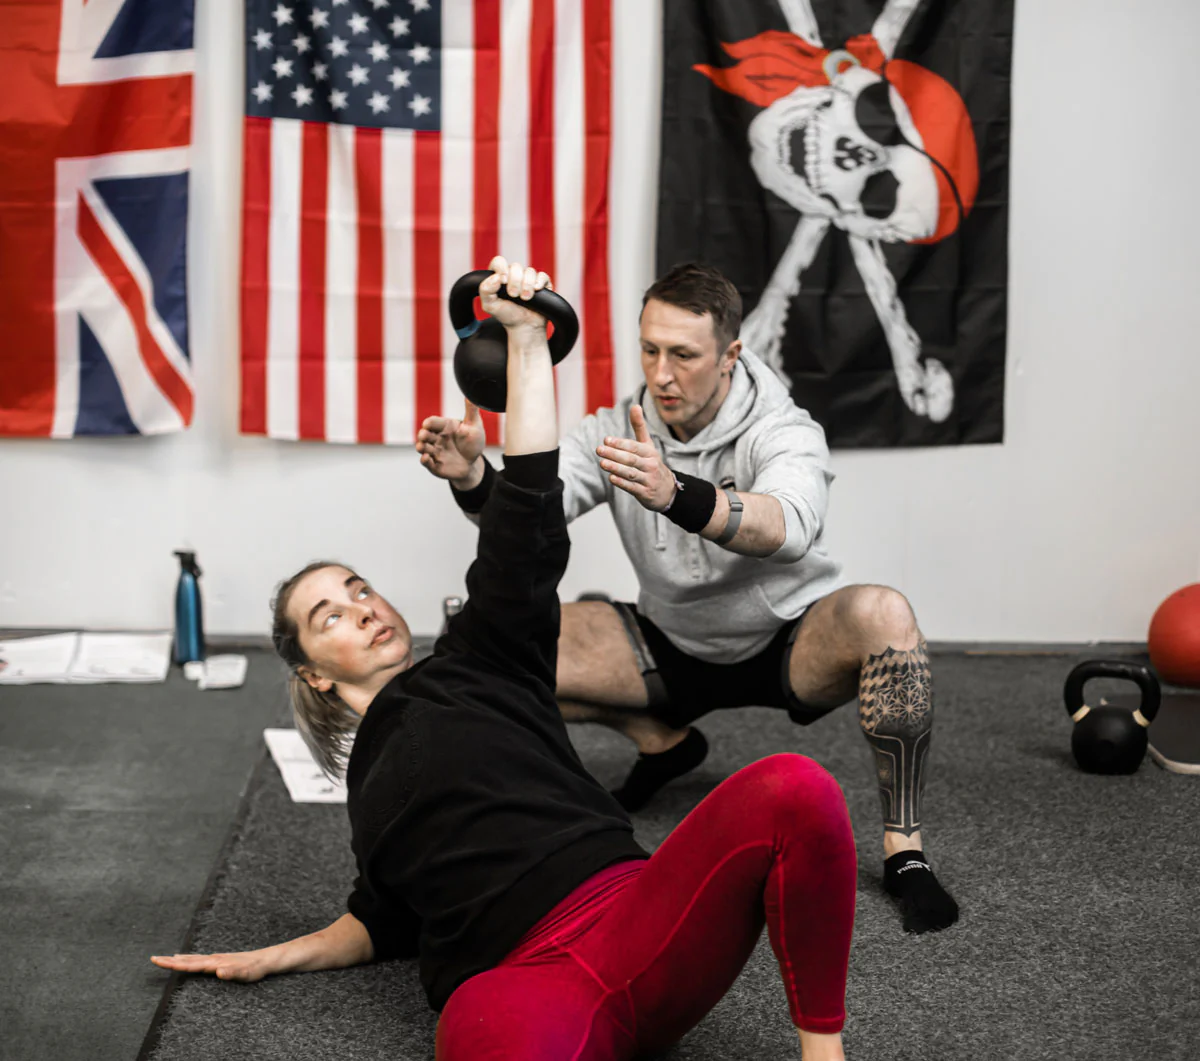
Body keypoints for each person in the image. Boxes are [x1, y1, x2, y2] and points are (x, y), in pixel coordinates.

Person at [150, 259, 858, 1061]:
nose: (362, 608)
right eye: (330, 615)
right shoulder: (367, 793)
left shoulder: (482, 654)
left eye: (359, 588)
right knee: (478, 1026)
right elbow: (381, 919)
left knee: (797, 787)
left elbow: (527, 504)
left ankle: (822, 1055)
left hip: (637, 921)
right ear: (314, 669)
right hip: (522, 983)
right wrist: (273, 955)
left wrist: (526, 342)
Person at [416, 262, 957, 935]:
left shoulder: (782, 427)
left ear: (730, 353)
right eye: (649, 349)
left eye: (683, 354)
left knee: (886, 614)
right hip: (667, 642)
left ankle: (904, 849)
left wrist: (676, 492)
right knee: (498, 639)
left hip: (788, 641)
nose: (662, 373)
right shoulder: (617, 426)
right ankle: (662, 740)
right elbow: (527, 524)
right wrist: (471, 476)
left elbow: (786, 527)